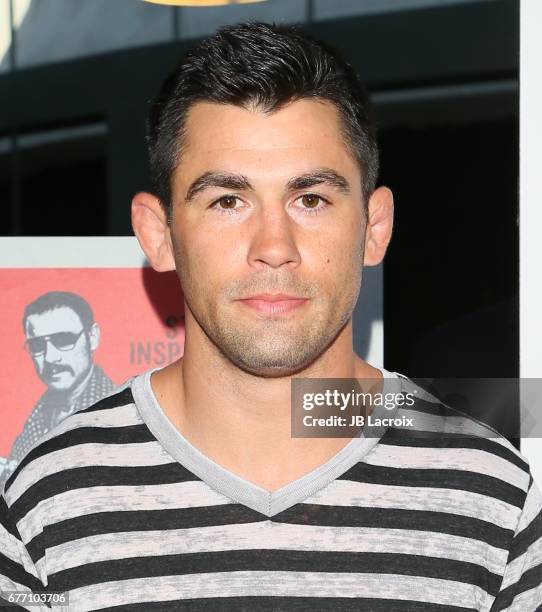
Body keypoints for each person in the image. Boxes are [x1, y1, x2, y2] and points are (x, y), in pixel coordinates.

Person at [1, 22, 540, 611]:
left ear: (374, 227)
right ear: (158, 235)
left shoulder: (494, 499)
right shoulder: (45, 502)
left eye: (311, 199)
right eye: (227, 201)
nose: (274, 243)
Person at [0, 291, 116, 488]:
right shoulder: (40, 414)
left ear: (92, 337)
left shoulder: (114, 413)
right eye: (37, 345)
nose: (50, 358)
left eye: (63, 340)